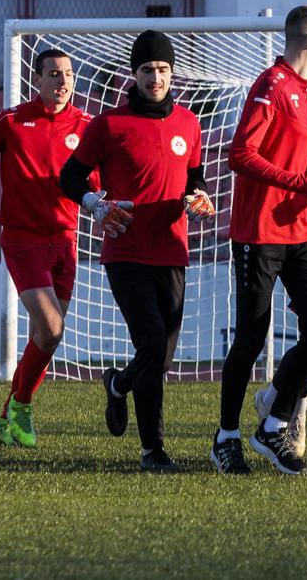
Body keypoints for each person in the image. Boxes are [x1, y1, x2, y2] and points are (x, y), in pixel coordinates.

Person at [59, 30, 214, 473]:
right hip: (126, 254)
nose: (156, 77)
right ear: (135, 73)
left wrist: (198, 196)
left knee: (159, 359)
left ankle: (118, 384)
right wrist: (95, 204)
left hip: (173, 251)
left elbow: (194, 178)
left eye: (163, 69)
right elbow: (70, 178)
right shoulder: (108, 124)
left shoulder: (188, 123)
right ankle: (154, 450)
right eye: (148, 70)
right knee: (149, 341)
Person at [217, 5, 307, 476]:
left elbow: (297, 161)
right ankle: (226, 437)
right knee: (250, 337)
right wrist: (304, 182)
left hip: (303, 231)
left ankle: (274, 424)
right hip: (260, 232)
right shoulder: (271, 84)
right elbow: (241, 154)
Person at [0, 47, 92, 448]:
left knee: (44, 335)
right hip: (22, 239)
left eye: (68, 74)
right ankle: (21, 407)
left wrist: (105, 202)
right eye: (53, 74)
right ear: (37, 80)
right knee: (52, 327)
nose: (62, 81)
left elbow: (97, 177)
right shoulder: (13, 120)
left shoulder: (87, 125)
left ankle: (8, 418)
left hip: (65, 240)